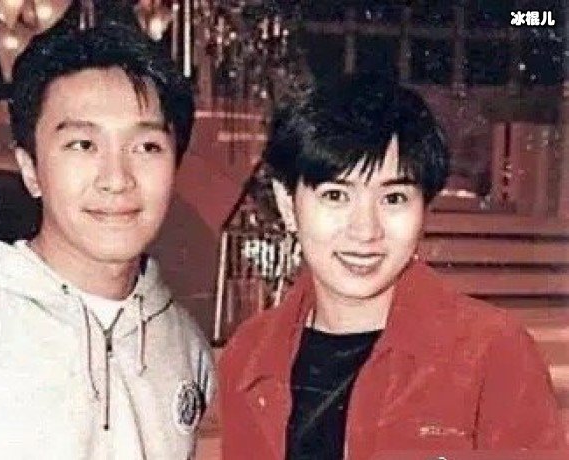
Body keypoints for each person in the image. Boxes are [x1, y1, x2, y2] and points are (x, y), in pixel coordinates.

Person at [0, 22, 214, 459]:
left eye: (146, 147)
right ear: (31, 169)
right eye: (82, 144)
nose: (116, 179)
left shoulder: (186, 345)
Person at [219, 74, 566, 460]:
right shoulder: (249, 356)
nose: (365, 230)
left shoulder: (491, 352)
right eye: (335, 195)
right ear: (288, 205)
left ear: (424, 208)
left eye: (394, 198)